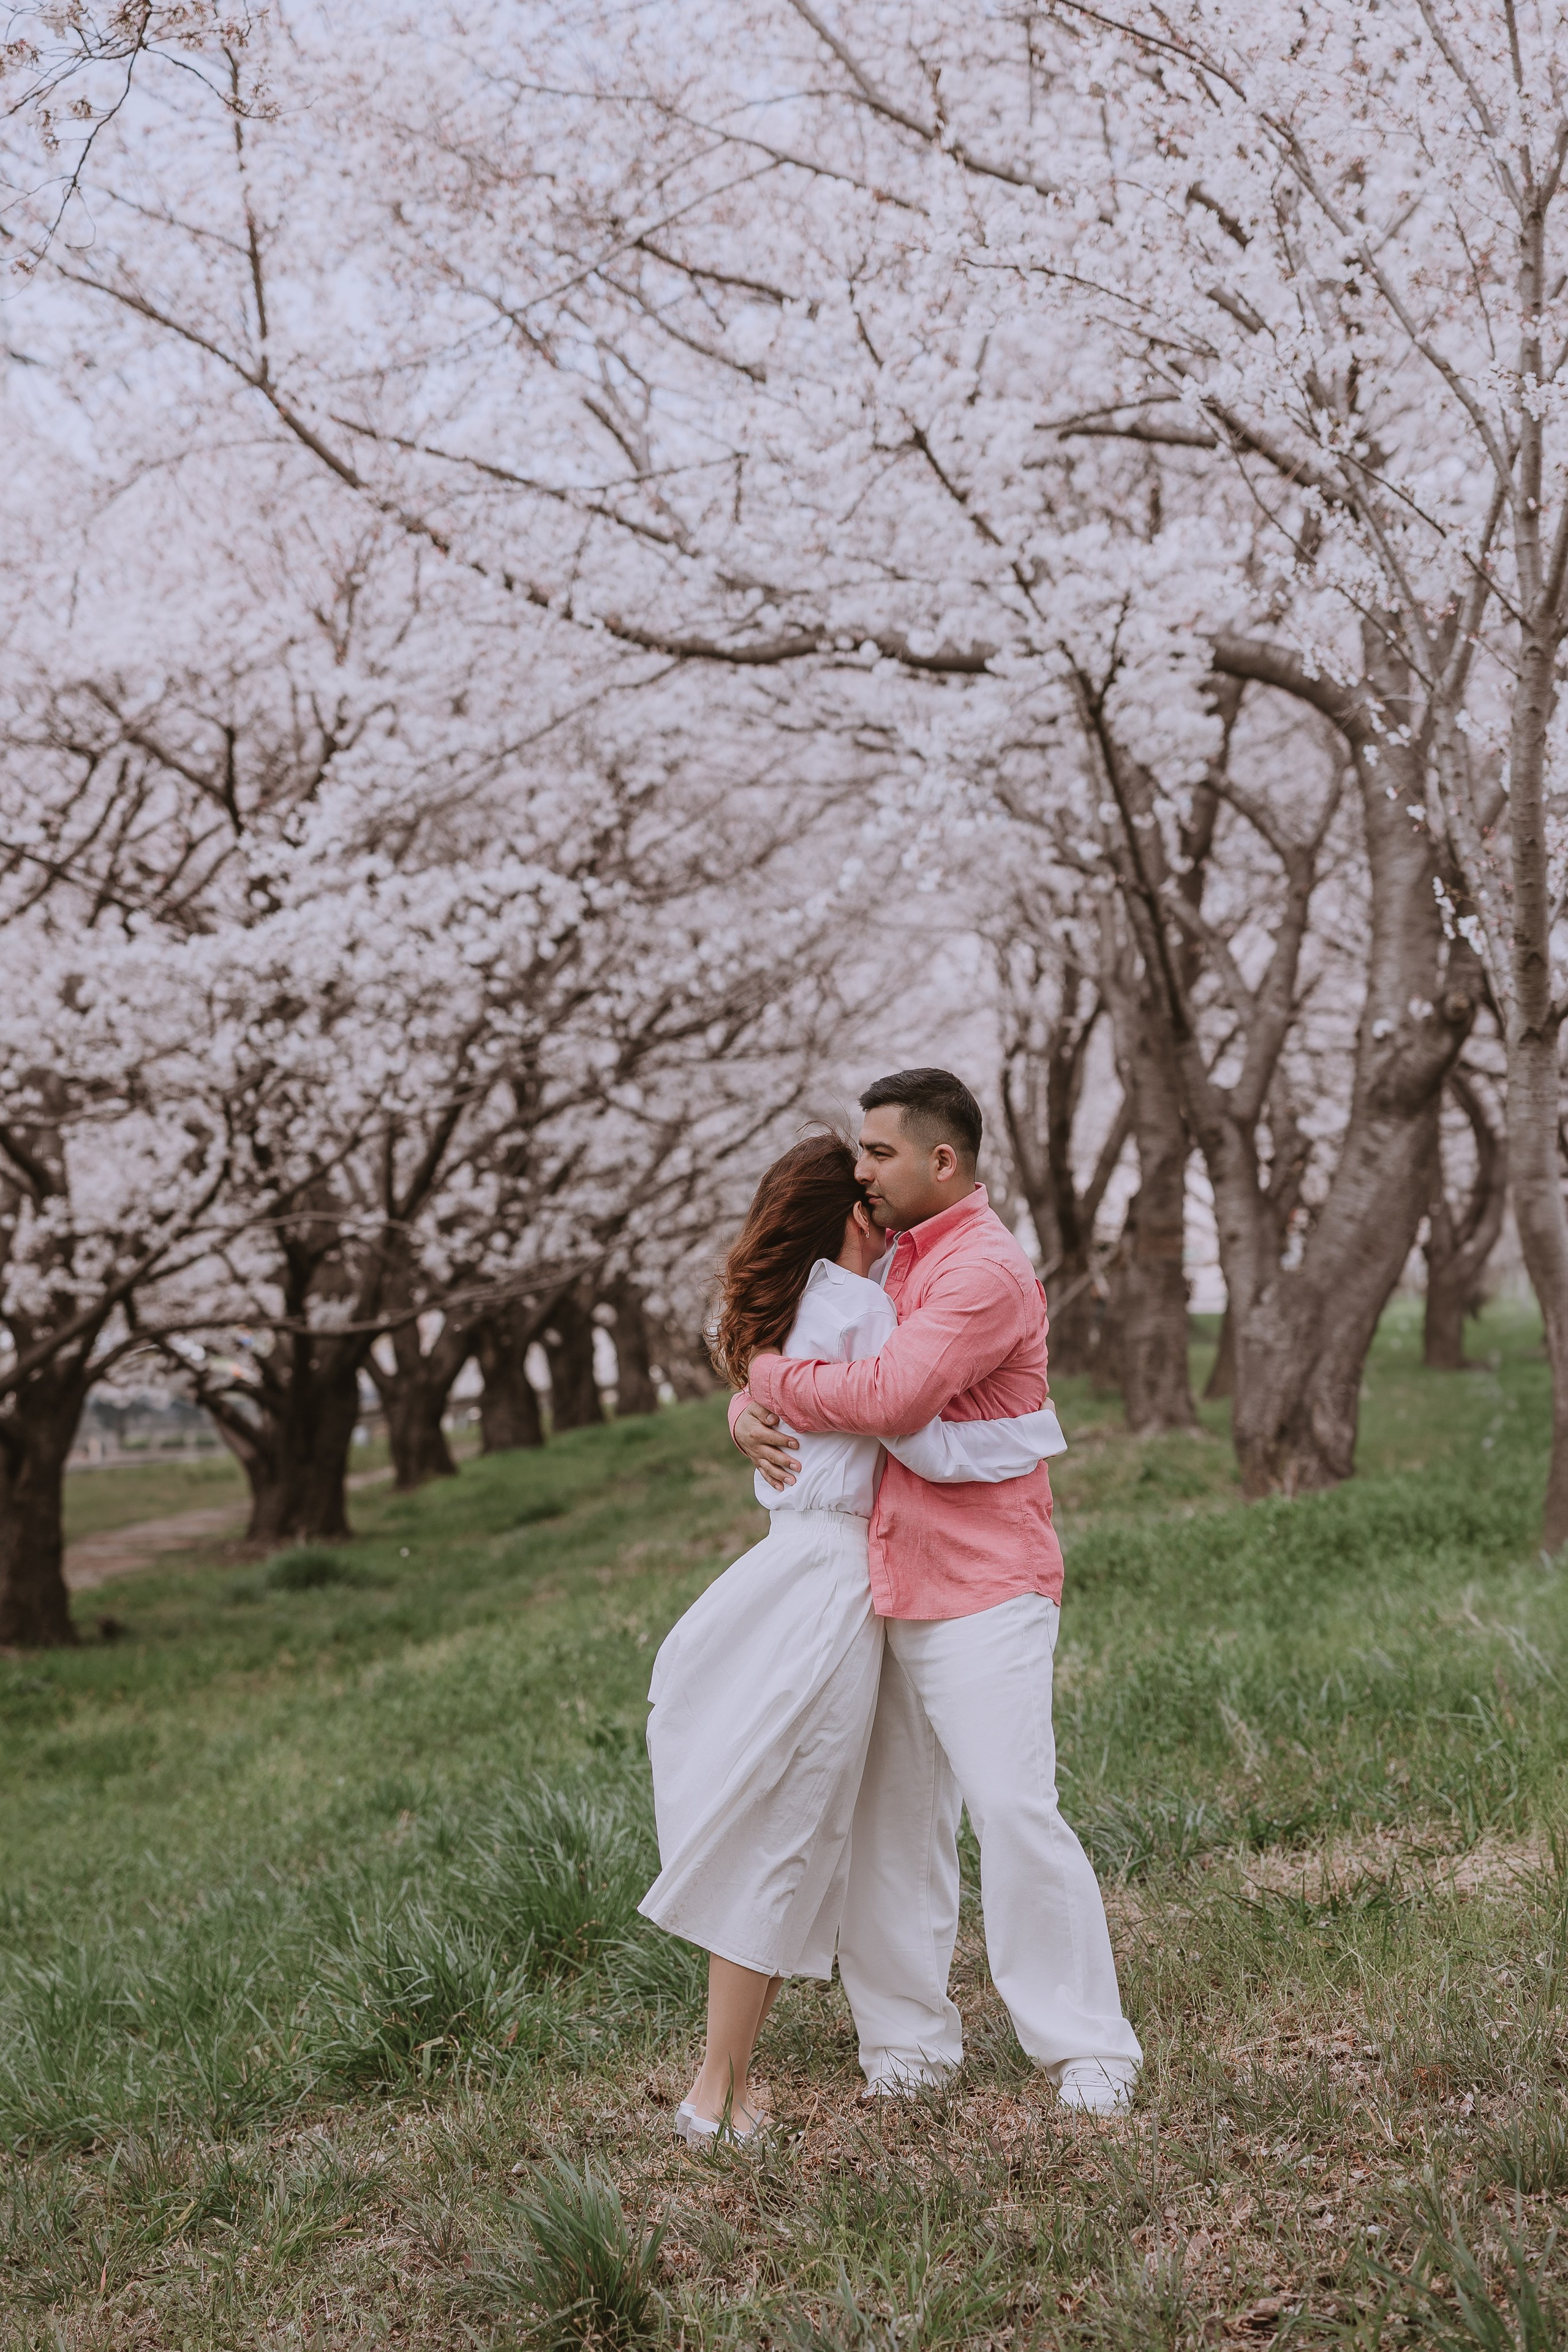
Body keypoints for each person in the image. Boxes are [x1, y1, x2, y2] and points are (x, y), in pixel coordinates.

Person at [639, 1131, 1065, 2144]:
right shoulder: (867, 1308)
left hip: (799, 1568)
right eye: (869, 1188)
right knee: (789, 1824)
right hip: (836, 1585)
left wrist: (750, 1394)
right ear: (854, 1213)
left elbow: (783, 1377)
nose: (887, 1200)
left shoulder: (793, 1312)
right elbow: (893, 1405)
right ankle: (720, 2090)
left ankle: (738, 2077)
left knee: (805, 1815)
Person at [732, 1068, 1142, 2116]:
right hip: (878, 1585)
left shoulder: (984, 1271)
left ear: (941, 1160)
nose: (860, 1170)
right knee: (891, 1824)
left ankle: (1087, 2046)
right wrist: (746, 1402)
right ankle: (906, 2047)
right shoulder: (894, 1263)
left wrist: (763, 1380)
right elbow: (840, 1365)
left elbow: (887, 1394)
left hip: (982, 1585)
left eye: (877, 1153)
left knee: (1012, 1808)